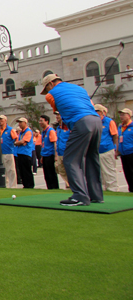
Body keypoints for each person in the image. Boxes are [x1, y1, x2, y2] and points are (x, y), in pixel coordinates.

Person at [41, 73, 103, 206]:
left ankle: (80, 196)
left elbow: (60, 113)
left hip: (81, 122)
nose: (47, 92)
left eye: (46, 88)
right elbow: (91, 105)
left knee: (70, 159)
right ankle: (96, 195)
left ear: (50, 84)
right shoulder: (80, 89)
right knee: (91, 158)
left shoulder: (50, 95)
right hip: (96, 121)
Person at [95, 104, 119, 192]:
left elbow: (115, 136)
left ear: (101, 112)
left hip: (107, 150)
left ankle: (113, 190)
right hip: (96, 151)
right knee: (99, 173)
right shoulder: (94, 122)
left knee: (109, 171)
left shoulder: (109, 121)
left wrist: (116, 149)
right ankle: (102, 190)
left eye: (96, 111)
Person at [39, 115, 59, 189]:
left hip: (50, 155)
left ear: (46, 121)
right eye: (40, 121)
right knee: (46, 174)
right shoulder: (44, 132)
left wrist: (56, 156)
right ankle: (49, 187)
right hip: (45, 155)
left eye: (41, 121)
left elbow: (54, 143)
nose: (40, 122)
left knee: (51, 173)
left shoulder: (50, 131)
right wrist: (42, 156)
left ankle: (54, 187)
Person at [14, 118, 34, 188]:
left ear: (25, 123)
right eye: (19, 123)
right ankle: (25, 184)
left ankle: (30, 185)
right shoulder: (21, 132)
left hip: (26, 153)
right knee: (21, 170)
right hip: (20, 152)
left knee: (27, 170)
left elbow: (23, 141)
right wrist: (19, 143)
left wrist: (17, 143)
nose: (19, 124)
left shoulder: (28, 131)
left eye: (21, 122)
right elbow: (21, 142)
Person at [0, 115, 18, 188]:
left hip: (9, 151)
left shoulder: (10, 129)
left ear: (5, 121)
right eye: (0, 120)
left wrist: (12, 147)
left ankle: (13, 185)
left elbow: (15, 139)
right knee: (4, 171)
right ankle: (6, 184)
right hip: (1, 152)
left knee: (11, 170)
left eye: (2, 120)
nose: (0, 122)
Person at [117, 108, 133, 192]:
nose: (121, 116)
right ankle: (131, 189)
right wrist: (117, 151)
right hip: (123, 153)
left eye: (123, 114)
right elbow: (118, 139)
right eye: (121, 115)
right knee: (127, 172)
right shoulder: (120, 127)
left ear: (129, 116)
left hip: (131, 152)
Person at [54, 111, 71, 189]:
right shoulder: (58, 128)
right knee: (61, 170)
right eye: (56, 115)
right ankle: (68, 185)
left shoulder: (68, 126)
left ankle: (72, 186)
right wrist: (56, 154)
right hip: (60, 152)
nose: (57, 116)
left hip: (68, 152)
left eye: (58, 115)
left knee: (70, 171)